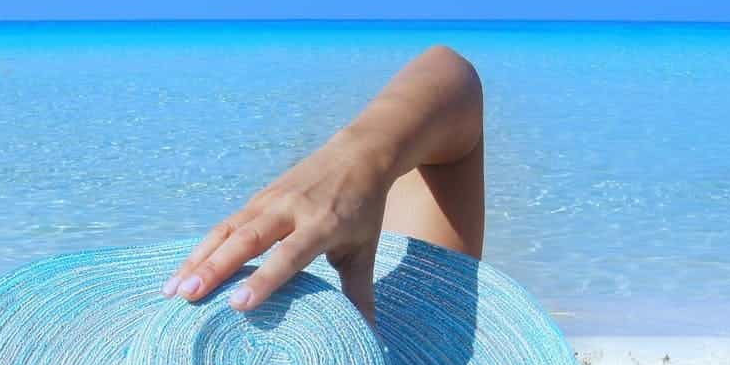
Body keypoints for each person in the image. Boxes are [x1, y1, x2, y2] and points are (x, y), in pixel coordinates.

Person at [160, 45, 486, 321]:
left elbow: (451, 75)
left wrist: (355, 158)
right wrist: (361, 159)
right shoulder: (422, 332)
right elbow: (453, 76)